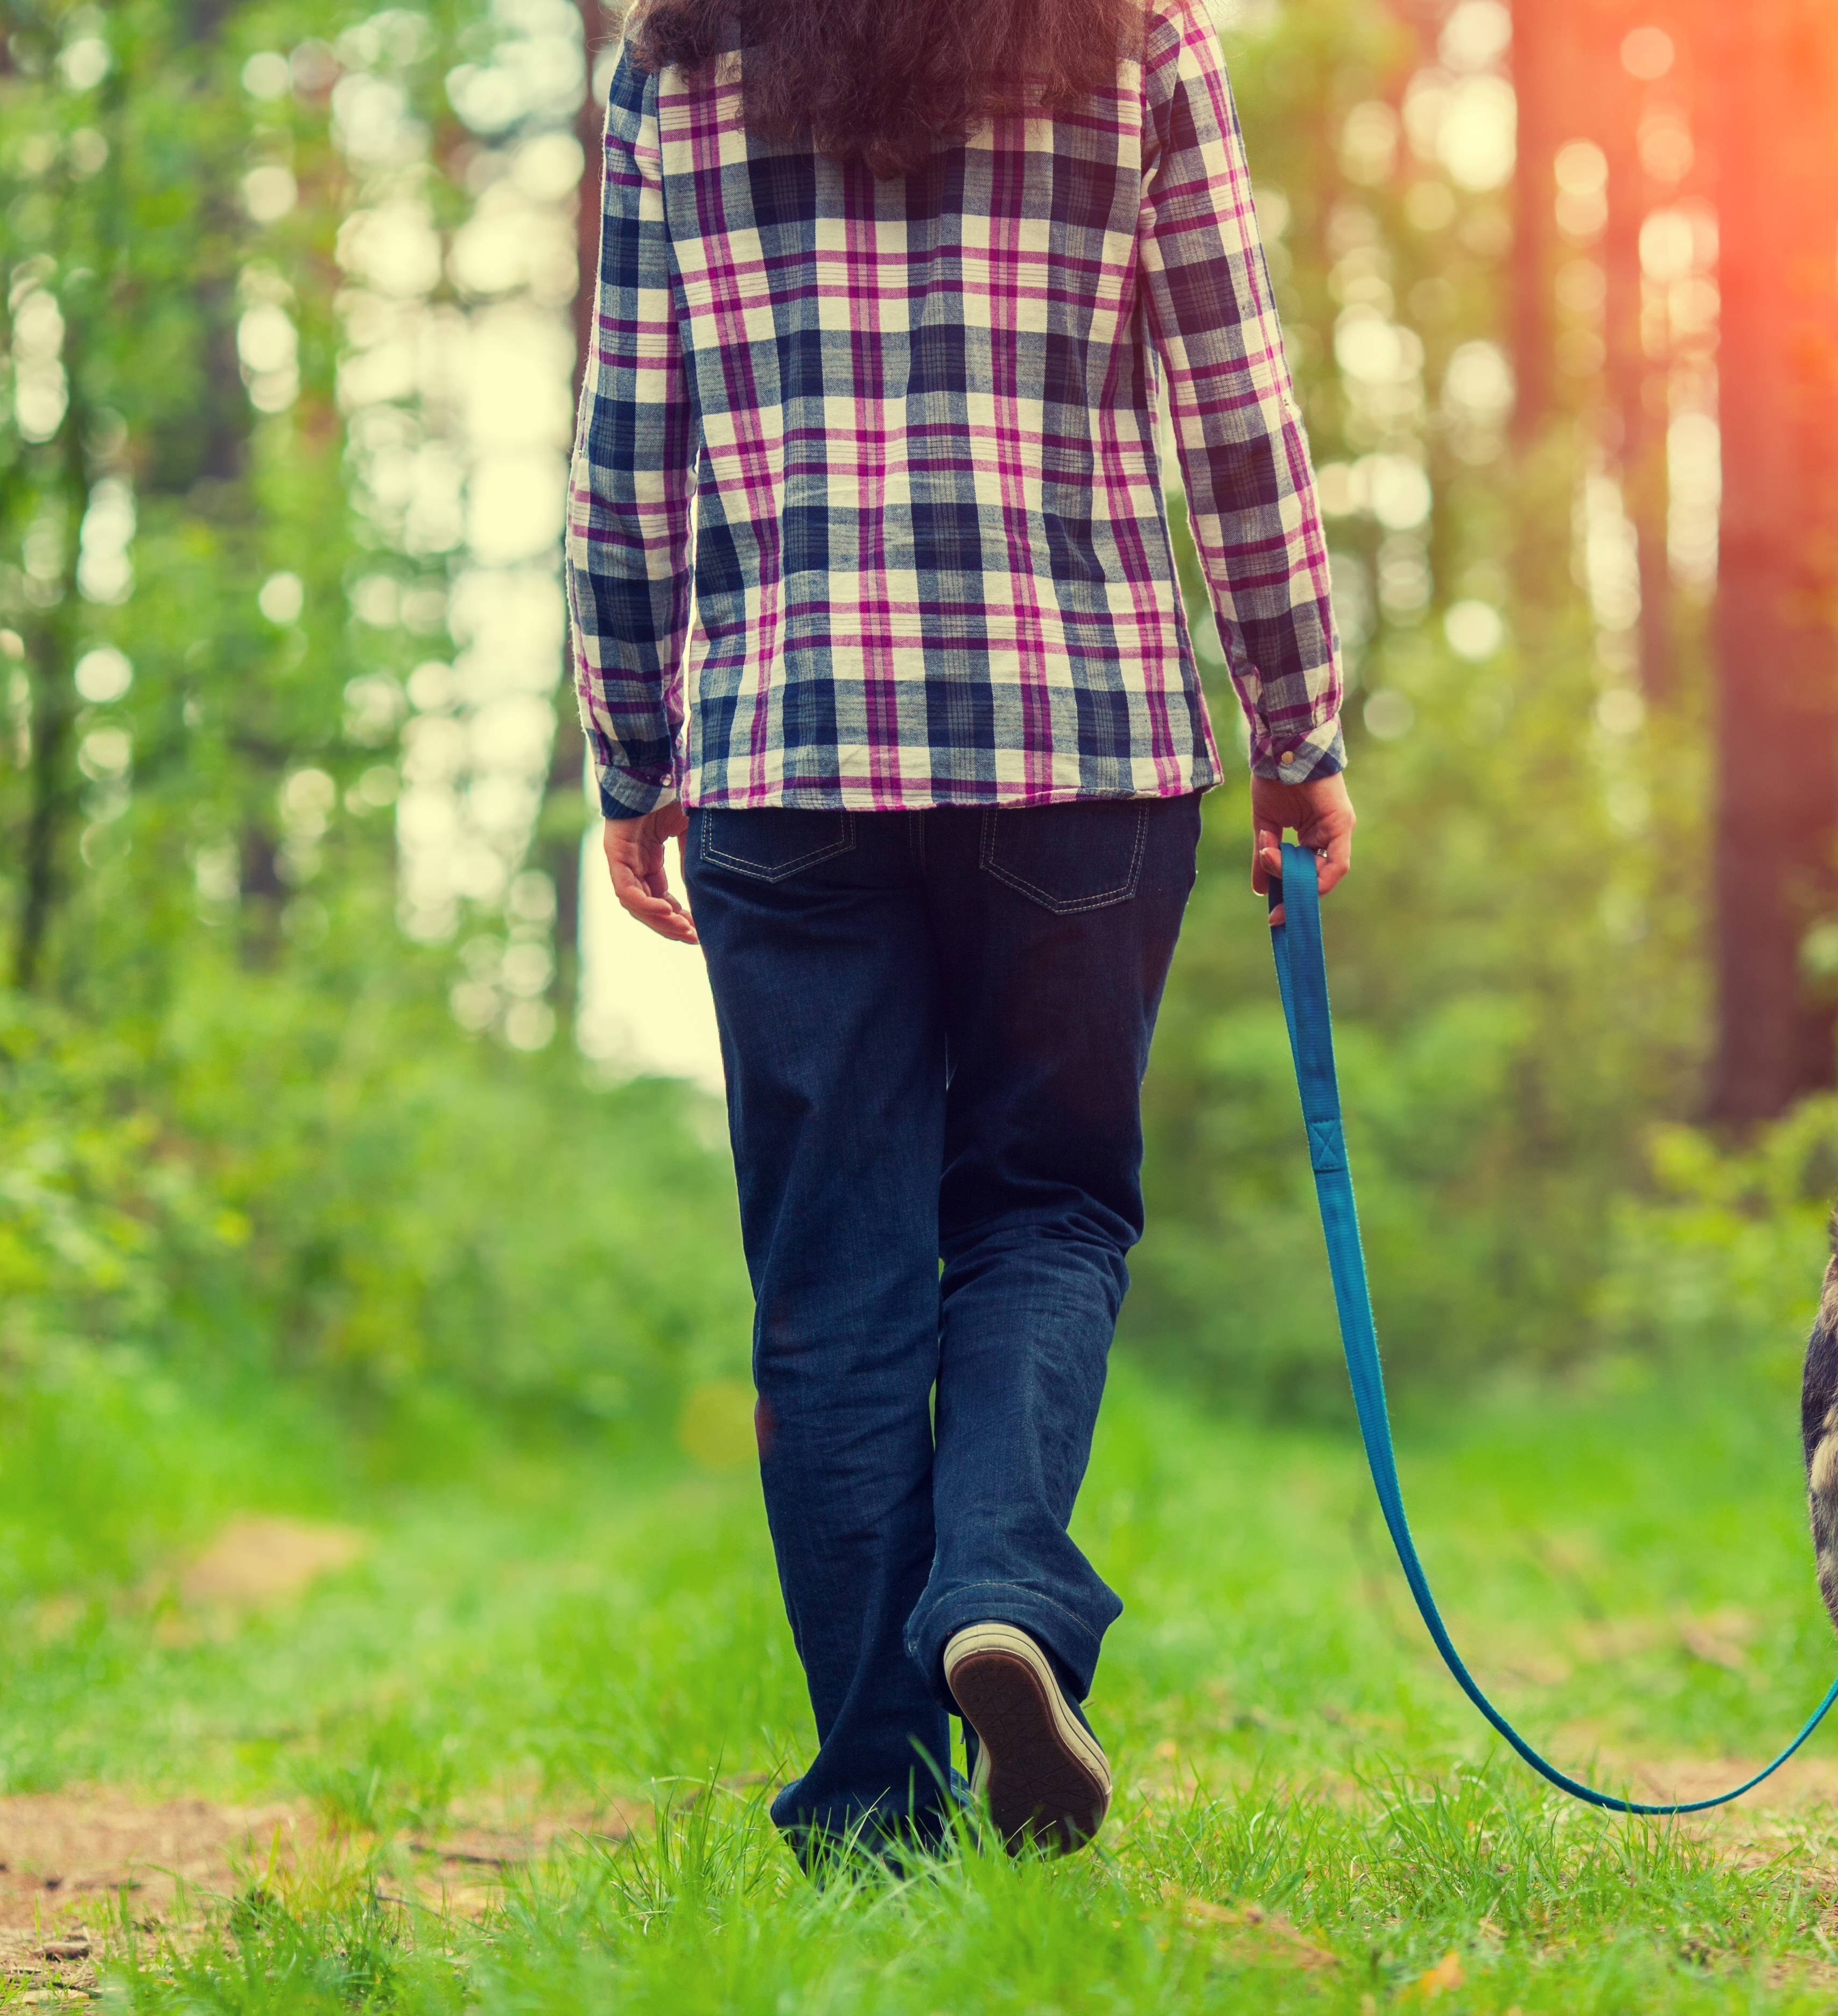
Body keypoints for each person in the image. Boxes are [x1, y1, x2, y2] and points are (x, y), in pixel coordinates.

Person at [566, 0, 1355, 1866]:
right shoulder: (1130, 40)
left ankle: (869, 1809)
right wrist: (1298, 724)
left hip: (791, 751)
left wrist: (632, 746)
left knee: (829, 1288)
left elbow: (627, 438)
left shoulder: (677, 65)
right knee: (1047, 1212)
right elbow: (1234, 404)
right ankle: (999, 1584)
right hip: (1074, 744)